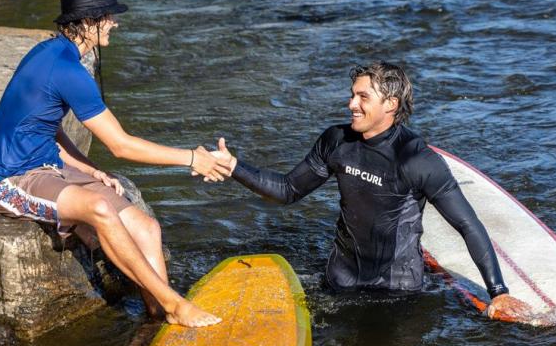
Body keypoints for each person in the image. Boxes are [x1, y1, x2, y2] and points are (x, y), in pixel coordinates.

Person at [0, 0, 228, 327]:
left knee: (146, 228)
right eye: (107, 16)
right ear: (86, 23)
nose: (115, 22)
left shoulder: (52, 52)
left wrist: (90, 169)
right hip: (12, 180)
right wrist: (193, 158)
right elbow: (120, 145)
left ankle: (158, 317)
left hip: (49, 166)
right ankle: (174, 305)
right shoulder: (67, 70)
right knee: (99, 207)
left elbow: (44, 126)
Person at [212, 61, 530, 319]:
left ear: (390, 104)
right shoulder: (336, 141)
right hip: (341, 279)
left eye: (363, 97)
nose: (351, 104)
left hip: (397, 291)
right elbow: (288, 189)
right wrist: (234, 167)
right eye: (353, 95)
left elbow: (466, 224)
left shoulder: (416, 158)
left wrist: (498, 291)